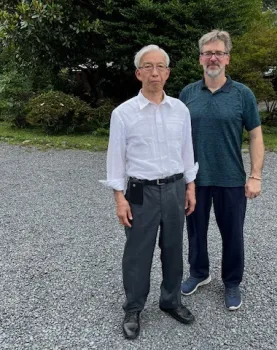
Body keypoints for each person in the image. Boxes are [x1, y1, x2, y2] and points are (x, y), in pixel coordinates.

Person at [102, 45, 198, 339]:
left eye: (160, 67)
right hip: (139, 192)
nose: (154, 72)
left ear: (167, 73)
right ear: (138, 73)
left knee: (173, 249)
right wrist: (119, 198)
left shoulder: (180, 110)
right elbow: (115, 159)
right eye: (148, 66)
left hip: (173, 188)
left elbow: (186, 151)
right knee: (137, 253)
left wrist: (190, 186)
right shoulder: (123, 114)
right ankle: (133, 307)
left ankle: (171, 301)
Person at [179, 30, 264, 310]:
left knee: (233, 233)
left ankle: (231, 282)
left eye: (218, 52)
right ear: (200, 58)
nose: (212, 57)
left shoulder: (243, 94)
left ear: (227, 58)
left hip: (231, 179)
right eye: (207, 53)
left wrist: (255, 176)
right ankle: (199, 273)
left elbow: (255, 136)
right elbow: (178, 137)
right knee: (195, 231)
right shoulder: (188, 93)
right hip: (195, 179)